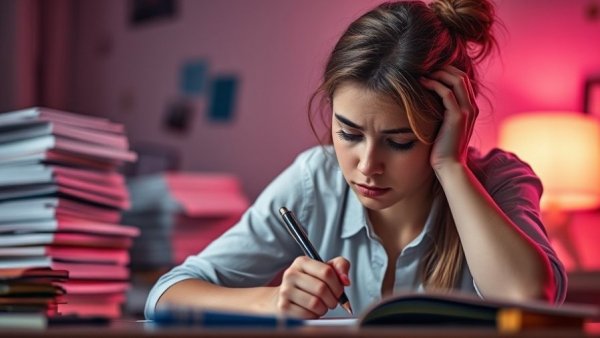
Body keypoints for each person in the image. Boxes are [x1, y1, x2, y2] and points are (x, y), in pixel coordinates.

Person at [145, 0, 566, 320]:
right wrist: (274, 299)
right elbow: (164, 296)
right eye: (348, 134)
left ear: (448, 129)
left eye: (399, 141)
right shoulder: (316, 180)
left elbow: (528, 302)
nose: (367, 165)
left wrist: (451, 168)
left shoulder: (503, 180)